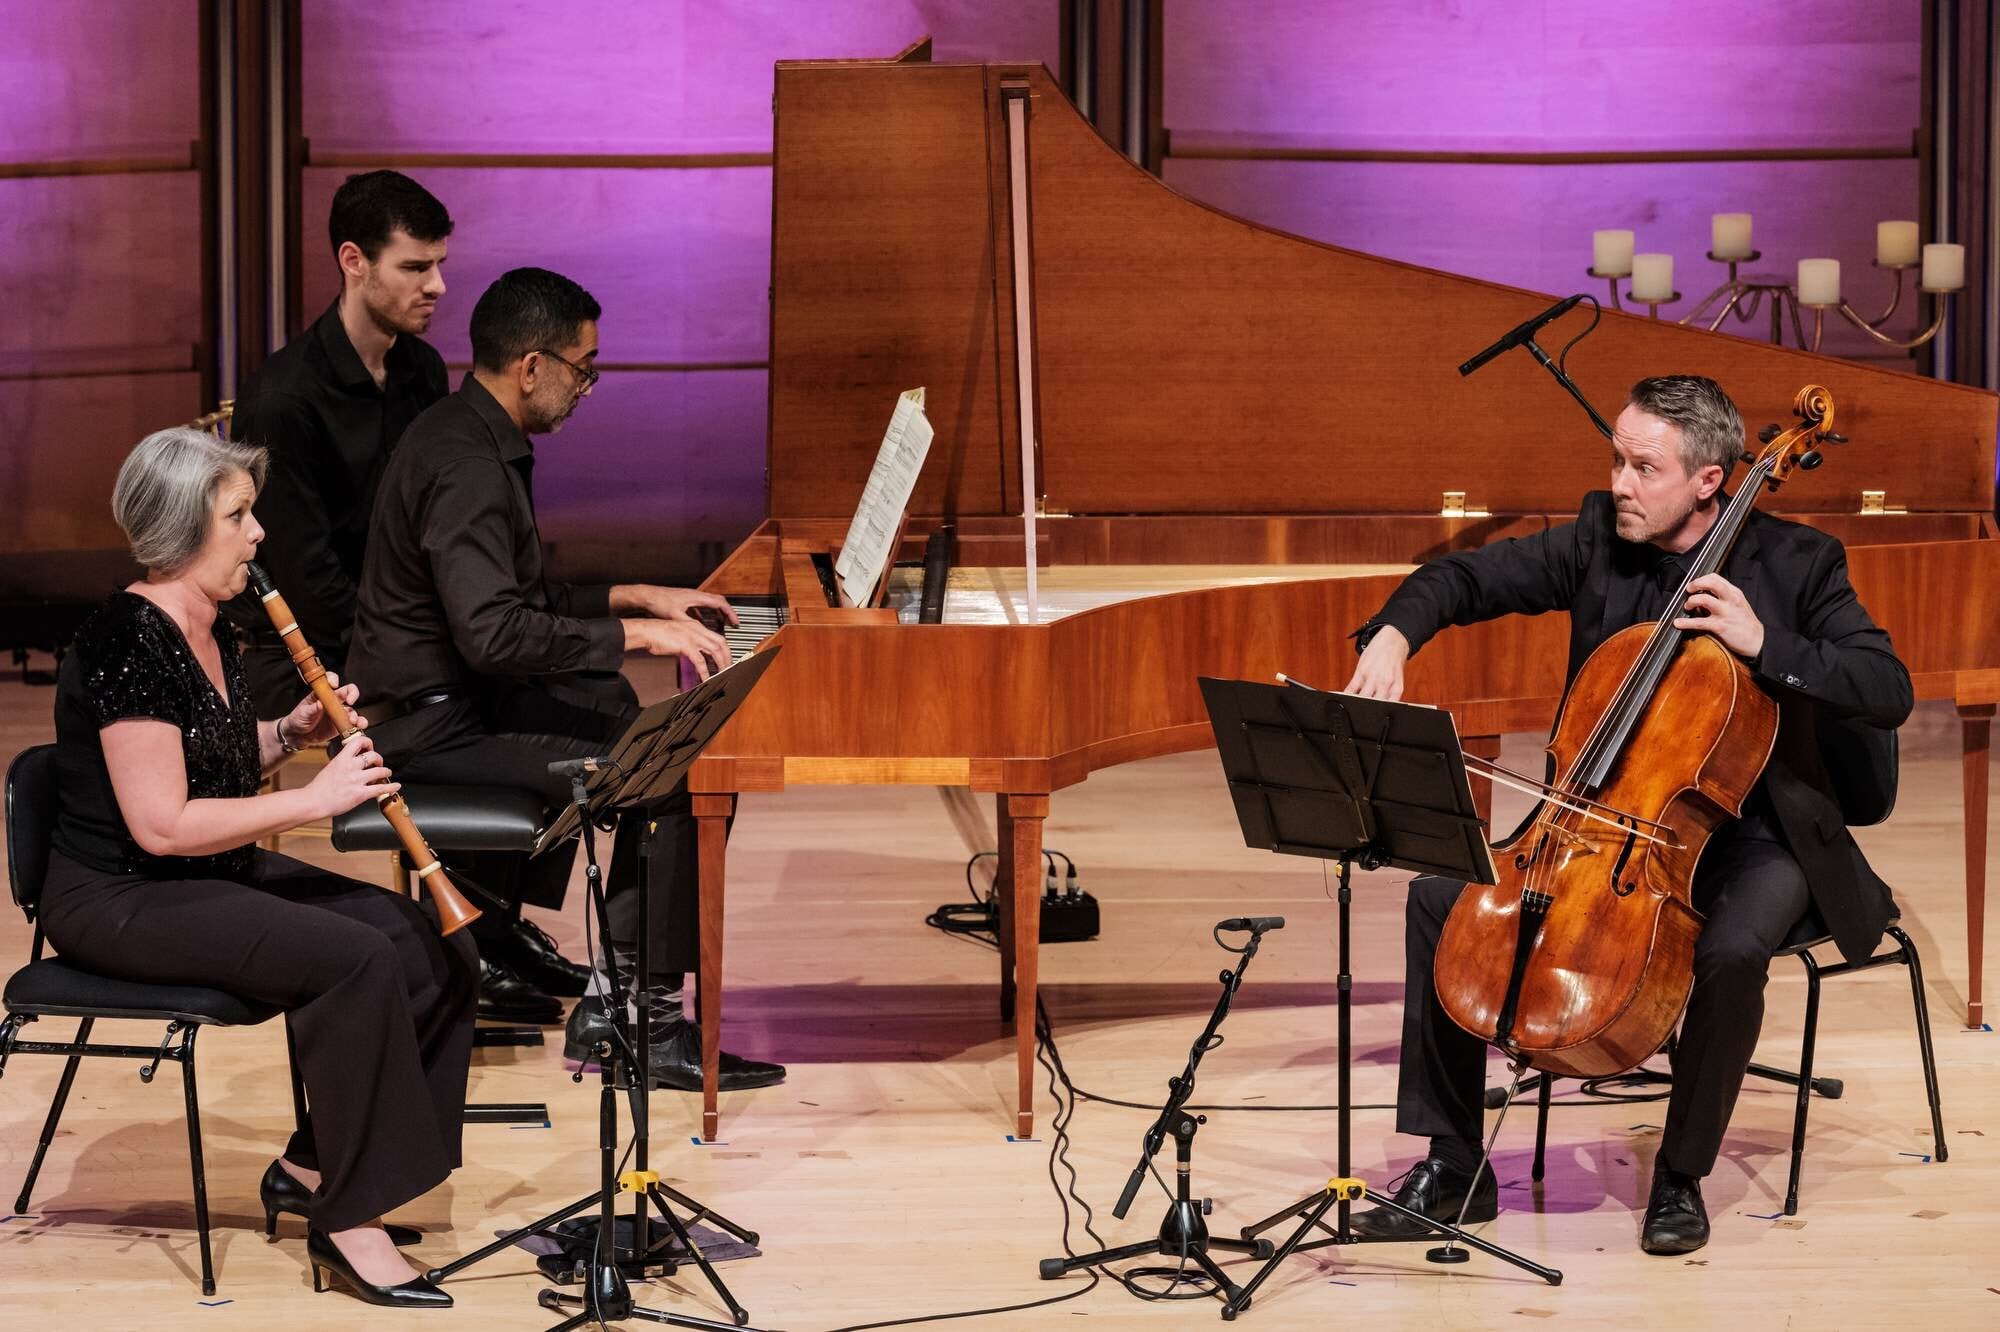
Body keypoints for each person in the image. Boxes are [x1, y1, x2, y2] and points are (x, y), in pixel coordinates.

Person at [1340, 375, 1910, 1255]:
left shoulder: (1801, 565)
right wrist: (1393, 636)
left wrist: (1767, 645)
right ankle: (1456, 1167)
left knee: (1731, 948)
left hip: (1758, 835)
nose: (1621, 484)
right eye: (1617, 458)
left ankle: (1680, 1178)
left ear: (1711, 480)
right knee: (1437, 899)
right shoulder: (1602, 543)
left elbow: (1887, 689)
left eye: (1645, 468)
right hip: (1607, 827)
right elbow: (1461, 576)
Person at [43, 427, 474, 1308]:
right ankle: (349, 1224)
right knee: (354, 959)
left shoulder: (213, 627)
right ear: (179, 529)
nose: (258, 533)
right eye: (238, 516)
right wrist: (319, 801)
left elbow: (213, 763)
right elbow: (162, 825)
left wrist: (290, 736)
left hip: (199, 875)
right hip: (119, 896)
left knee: (425, 940)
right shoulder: (125, 638)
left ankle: (310, 1168)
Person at [346, 266, 784, 1092]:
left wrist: (635, 595)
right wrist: (635, 634)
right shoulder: (467, 465)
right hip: (432, 726)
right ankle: (639, 1026)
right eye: (585, 367)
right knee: (679, 769)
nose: (589, 386)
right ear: (533, 366)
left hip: (451, 701)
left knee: (620, 708)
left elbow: (513, 601)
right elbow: (493, 634)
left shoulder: (471, 435)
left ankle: (585, 983)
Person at [220, 170, 588, 1022]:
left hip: (408, 630)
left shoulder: (421, 370)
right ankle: (469, 943)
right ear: (353, 262)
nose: (438, 287)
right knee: (488, 686)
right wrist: (435, 653)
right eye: (416, 267)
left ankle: (492, 923)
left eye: (441, 264)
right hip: (307, 653)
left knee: (559, 689)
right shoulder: (287, 398)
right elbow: (307, 584)